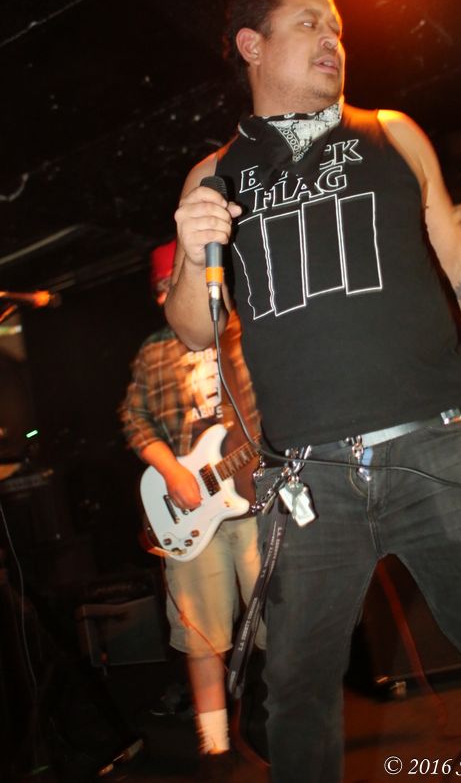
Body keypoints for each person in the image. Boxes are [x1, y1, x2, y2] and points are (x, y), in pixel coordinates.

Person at [164, 0, 461, 781]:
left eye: (337, 28)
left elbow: (459, 261)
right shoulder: (215, 175)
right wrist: (188, 247)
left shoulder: (392, 132)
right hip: (306, 477)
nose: (332, 40)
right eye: (309, 23)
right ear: (252, 45)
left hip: (445, 445)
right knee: (297, 699)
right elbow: (196, 327)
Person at [120, 240, 265, 767]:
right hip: (192, 512)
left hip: (258, 501)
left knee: (285, 625)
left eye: (176, 282)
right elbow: (134, 419)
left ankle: (292, 731)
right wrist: (171, 469)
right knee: (203, 638)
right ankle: (216, 749)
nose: (168, 294)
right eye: (161, 287)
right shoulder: (153, 351)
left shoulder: (249, 332)